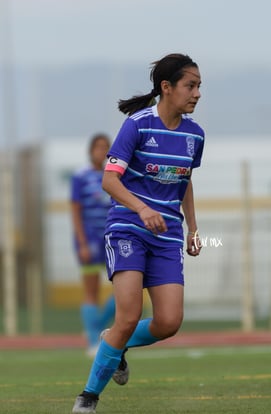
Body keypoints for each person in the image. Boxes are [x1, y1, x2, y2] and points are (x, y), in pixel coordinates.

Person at [72, 53, 204, 413]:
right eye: (190, 86)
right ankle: (88, 397)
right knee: (128, 316)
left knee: (168, 322)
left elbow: (185, 180)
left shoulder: (195, 135)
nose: (196, 94)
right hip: (128, 228)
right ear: (167, 87)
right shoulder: (137, 125)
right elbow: (109, 179)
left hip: (168, 236)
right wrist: (142, 208)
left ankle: (117, 343)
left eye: (199, 87)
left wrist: (193, 227)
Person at [70, 133, 115, 357]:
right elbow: (76, 210)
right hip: (89, 238)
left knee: (125, 289)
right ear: (90, 151)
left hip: (111, 238)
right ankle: (92, 341)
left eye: (106, 147)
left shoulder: (114, 175)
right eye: (98, 147)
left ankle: (95, 326)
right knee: (91, 290)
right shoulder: (80, 176)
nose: (102, 151)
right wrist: (82, 241)